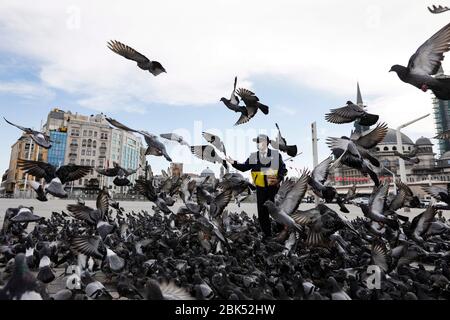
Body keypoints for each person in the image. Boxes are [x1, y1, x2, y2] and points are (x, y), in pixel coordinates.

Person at [226, 134, 287, 240]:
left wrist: (278, 178)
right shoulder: (254, 156)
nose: (259, 144)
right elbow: (244, 167)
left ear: (267, 143)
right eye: (257, 142)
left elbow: (283, 170)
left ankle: (281, 233)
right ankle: (267, 235)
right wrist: (234, 163)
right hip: (260, 188)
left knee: (276, 211)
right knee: (262, 212)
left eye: (261, 141)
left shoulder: (275, 154)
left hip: (273, 188)